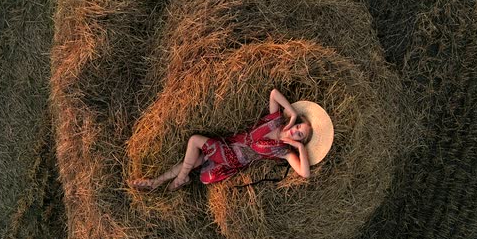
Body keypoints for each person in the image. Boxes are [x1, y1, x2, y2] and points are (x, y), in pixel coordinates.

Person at [128, 89, 334, 190]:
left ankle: (181, 178)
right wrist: (293, 113)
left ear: (301, 141)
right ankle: (156, 182)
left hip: (231, 160)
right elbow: (273, 94)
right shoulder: (275, 119)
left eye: (300, 135)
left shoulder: (284, 152)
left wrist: (298, 147)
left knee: (195, 141)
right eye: (298, 127)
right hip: (226, 144)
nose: (295, 131)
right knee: (192, 160)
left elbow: (305, 173)